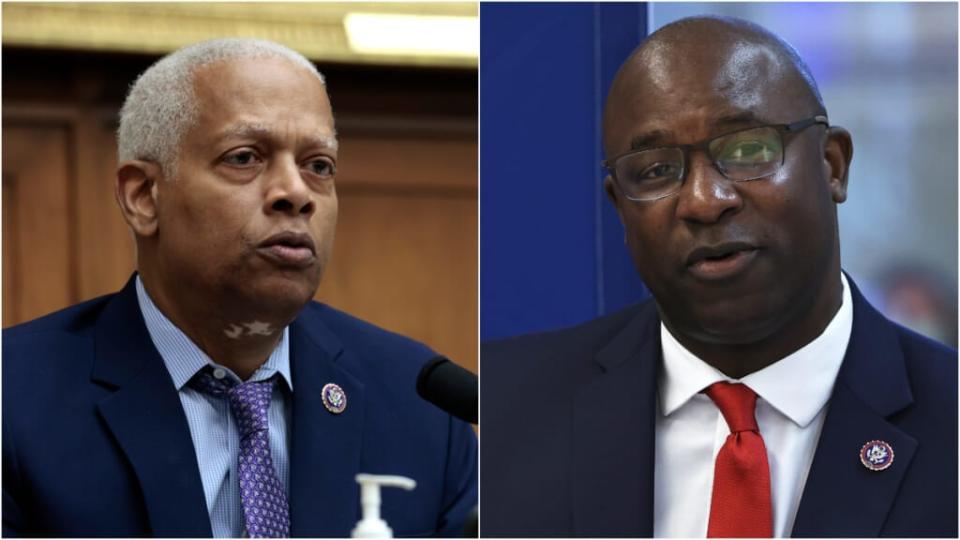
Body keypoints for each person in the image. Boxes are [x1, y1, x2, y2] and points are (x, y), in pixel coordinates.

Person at [481, 16, 956, 538]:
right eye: (657, 170)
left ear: (832, 165)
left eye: (748, 150)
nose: (705, 202)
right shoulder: (502, 413)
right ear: (620, 207)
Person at [3, 38, 477, 538]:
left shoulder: (420, 407)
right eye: (245, 157)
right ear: (144, 196)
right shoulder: (13, 401)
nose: (295, 193)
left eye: (319, 166)